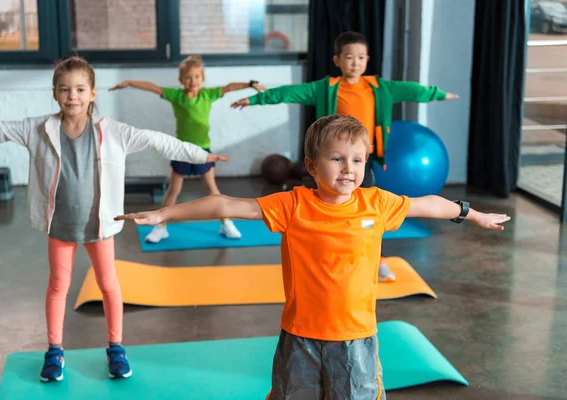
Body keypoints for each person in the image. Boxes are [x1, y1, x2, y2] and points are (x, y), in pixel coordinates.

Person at [115, 114, 510, 400]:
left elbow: (428, 205)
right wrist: (165, 213)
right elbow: (226, 205)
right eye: (337, 158)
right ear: (311, 165)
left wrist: (472, 213)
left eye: (357, 160)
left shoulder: (377, 204)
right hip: (300, 336)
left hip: (355, 338)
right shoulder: (293, 205)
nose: (348, 169)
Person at [0, 56, 228, 383]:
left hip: (99, 226)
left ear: (92, 93)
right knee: (58, 286)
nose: (71, 96)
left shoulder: (112, 131)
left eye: (79, 89)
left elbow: (156, 140)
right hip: (60, 225)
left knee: (109, 284)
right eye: (64, 89)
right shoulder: (38, 129)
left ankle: (116, 348)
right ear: (54, 94)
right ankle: (54, 351)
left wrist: (201, 155)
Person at [231, 31, 460, 283]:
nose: (355, 62)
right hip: (331, 165)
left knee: (369, 214)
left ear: (367, 60)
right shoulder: (327, 88)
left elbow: (412, 90)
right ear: (337, 60)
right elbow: (290, 92)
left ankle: (376, 260)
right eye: (349, 57)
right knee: (325, 212)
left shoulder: (379, 88)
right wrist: (256, 99)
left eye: (361, 57)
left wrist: (438, 94)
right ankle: (324, 257)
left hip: (362, 164)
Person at [110, 55, 266, 243]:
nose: (193, 81)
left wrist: (250, 84)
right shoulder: (177, 96)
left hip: (204, 151)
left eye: (197, 77)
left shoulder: (208, 94)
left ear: (203, 78)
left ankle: (226, 223)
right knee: (174, 190)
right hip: (181, 151)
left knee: (212, 189)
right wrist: (130, 82)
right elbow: (153, 87)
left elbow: (229, 87)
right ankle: (161, 227)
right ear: (181, 80)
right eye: (188, 77)